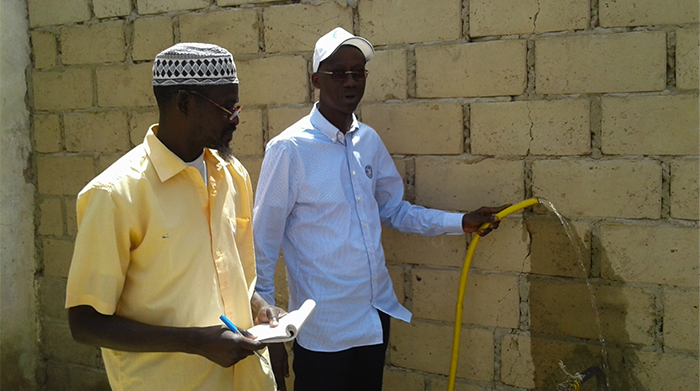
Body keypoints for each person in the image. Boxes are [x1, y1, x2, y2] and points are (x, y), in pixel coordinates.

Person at [252, 28, 509, 391]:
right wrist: (269, 334)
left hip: (373, 318)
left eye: (358, 72)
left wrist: (460, 222)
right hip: (323, 328)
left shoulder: (368, 141)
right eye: (338, 73)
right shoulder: (290, 149)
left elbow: (395, 211)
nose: (350, 81)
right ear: (316, 80)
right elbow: (263, 240)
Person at [65, 43, 286, 391]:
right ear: (185, 103)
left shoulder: (232, 174)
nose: (236, 117)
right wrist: (197, 342)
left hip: (246, 381)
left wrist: (258, 306)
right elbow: (85, 323)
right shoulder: (115, 194)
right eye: (226, 107)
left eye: (236, 105)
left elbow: (234, 274)